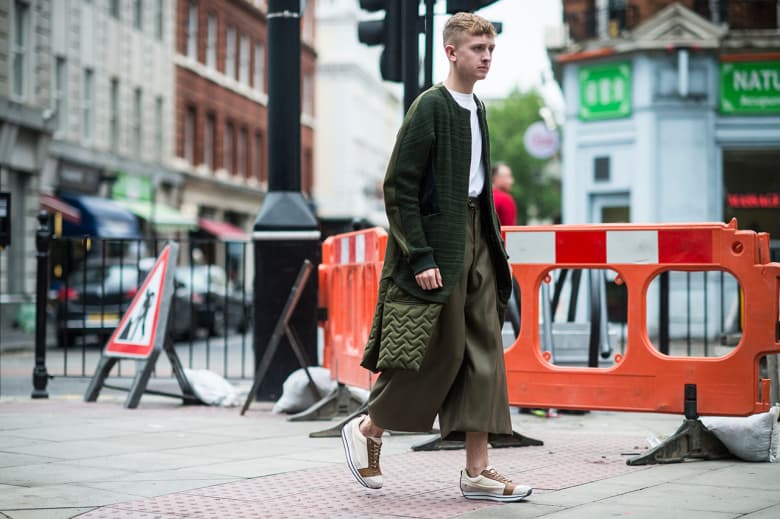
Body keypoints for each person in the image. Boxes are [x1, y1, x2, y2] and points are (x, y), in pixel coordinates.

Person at [340, 12, 532, 502]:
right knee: (437, 351)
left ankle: (477, 470)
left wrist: (491, 244)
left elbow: (479, 188)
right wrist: (421, 255)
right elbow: (399, 187)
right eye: (476, 50)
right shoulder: (430, 106)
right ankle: (369, 430)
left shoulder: (479, 109)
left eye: (490, 50)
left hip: (479, 240)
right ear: (452, 52)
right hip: (439, 245)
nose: (486, 58)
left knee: (485, 352)